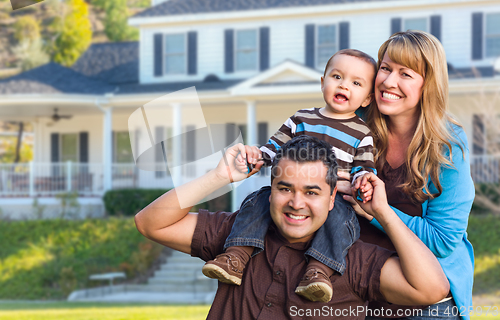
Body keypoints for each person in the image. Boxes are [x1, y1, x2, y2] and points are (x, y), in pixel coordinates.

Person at [134, 136, 450, 320]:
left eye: (311, 192)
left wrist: (382, 212)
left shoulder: (350, 259)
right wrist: (219, 178)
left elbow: (431, 289)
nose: (296, 203)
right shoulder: (238, 237)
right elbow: (149, 223)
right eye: (285, 188)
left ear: (331, 199)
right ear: (269, 191)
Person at [202, 49, 378, 303]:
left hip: (332, 197)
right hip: (289, 190)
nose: (344, 85)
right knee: (258, 200)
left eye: (356, 83)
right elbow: (274, 147)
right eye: (337, 76)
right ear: (323, 82)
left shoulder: (362, 133)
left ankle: (319, 272)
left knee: (341, 220)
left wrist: (363, 181)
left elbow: (364, 167)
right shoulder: (301, 118)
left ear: (366, 99)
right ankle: (236, 256)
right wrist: (257, 157)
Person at [335, 30, 474, 320]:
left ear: (428, 85)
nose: (389, 81)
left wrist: (377, 212)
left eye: (405, 74)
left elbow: (443, 240)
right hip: (360, 285)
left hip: (426, 299)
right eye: (385, 68)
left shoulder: (448, 147)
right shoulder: (353, 127)